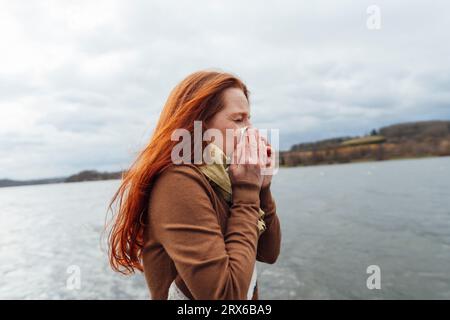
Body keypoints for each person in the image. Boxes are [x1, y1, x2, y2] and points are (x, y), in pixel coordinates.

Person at [107, 70, 281, 299]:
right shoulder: (177, 183)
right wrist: (247, 190)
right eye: (238, 120)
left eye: (249, 119)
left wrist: (262, 189)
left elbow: (268, 252)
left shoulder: (223, 179)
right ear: (199, 123)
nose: (251, 131)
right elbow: (226, 297)